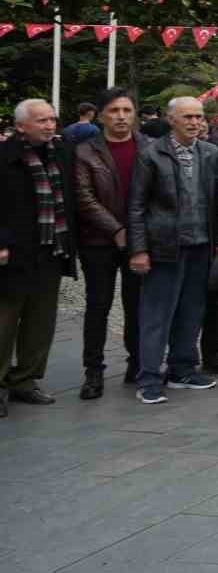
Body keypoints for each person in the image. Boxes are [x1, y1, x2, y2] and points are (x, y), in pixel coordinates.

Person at [127, 97, 218, 404]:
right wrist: (138, 250)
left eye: (199, 117)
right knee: (157, 314)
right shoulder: (151, 154)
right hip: (163, 248)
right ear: (171, 120)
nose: (195, 122)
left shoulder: (212, 153)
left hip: (201, 245)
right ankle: (148, 377)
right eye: (187, 116)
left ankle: (182, 369)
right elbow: (135, 206)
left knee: (192, 311)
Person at [0, 100, 80, 416]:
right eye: (41, 121)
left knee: (40, 321)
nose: (50, 126)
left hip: (51, 250)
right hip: (13, 255)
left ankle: (25, 381)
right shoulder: (4, 157)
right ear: (21, 126)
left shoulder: (61, 152)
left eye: (52, 119)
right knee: (5, 323)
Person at [73, 87, 147, 397]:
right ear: (101, 114)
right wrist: (117, 230)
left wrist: (139, 236)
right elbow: (84, 197)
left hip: (140, 240)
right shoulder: (85, 151)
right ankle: (93, 372)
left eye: (126, 110)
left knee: (137, 306)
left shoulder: (150, 147)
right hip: (98, 241)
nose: (120, 117)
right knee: (98, 305)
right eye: (114, 111)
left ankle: (137, 363)